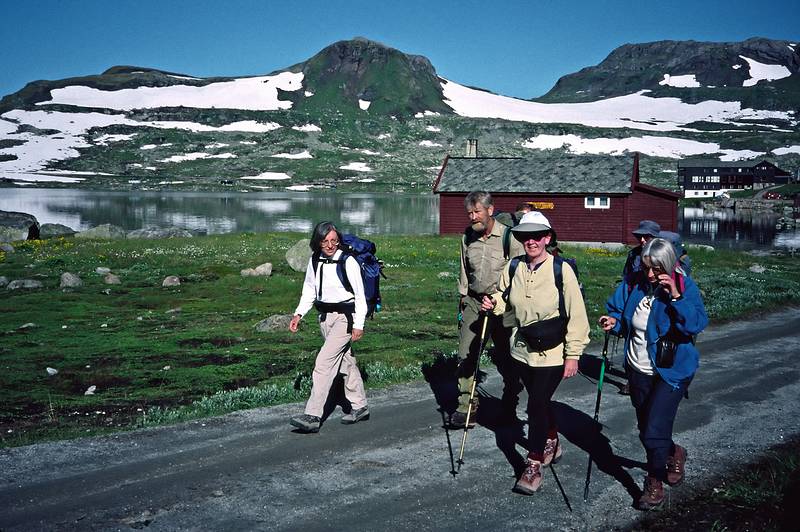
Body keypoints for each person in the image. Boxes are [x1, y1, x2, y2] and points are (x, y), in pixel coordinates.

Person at [480, 211, 590, 495]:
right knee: (539, 404)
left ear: (547, 238)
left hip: (553, 352)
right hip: (522, 349)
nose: (531, 241)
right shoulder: (514, 266)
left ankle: (533, 463)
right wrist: (492, 304)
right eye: (525, 236)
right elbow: (504, 300)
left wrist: (573, 354)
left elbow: (577, 315)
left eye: (537, 236)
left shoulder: (561, 269)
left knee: (535, 405)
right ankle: (552, 437)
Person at [599, 237, 707, 510]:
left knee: (653, 430)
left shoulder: (685, 286)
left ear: (670, 265)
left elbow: (694, 325)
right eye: (646, 267)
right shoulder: (634, 283)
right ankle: (673, 452)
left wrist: (676, 297)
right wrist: (613, 321)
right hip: (638, 368)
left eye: (656, 269)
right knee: (647, 427)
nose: (650, 274)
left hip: (672, 371)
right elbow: (619, 312)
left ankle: (654, 480)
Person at [288, 221, 370, 433]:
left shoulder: (348, 261)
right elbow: (309, 290)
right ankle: (360, 406)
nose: (330, 245)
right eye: (325, 241)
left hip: (346, 318)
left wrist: (358, 325)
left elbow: (360, 296)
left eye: (334, 240)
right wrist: (298, 314)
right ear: (318, 241)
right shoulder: (315, 260)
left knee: (323, 362)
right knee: (345, 362)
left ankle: (313, 416)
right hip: (325, 318)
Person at [453, 191, 524, 428]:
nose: (473, 217)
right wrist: (463, 297)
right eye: (470, 213)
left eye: (477, 212)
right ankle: (466, 406)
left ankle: (510, 399)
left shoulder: (509, 238)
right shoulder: (467, 237)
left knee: (506, 358)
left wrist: (500, 299)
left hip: (503, 307)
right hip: (474, 302)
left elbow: (520, 274)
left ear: (490, 210)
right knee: (465, 355)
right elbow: (464, 268)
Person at [622, 220, 661, 286]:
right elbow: (627, 274)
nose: (642, 240)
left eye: (646, 237)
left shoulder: (663, 253)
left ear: (655, 238)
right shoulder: (633, 253)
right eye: (639, 236)